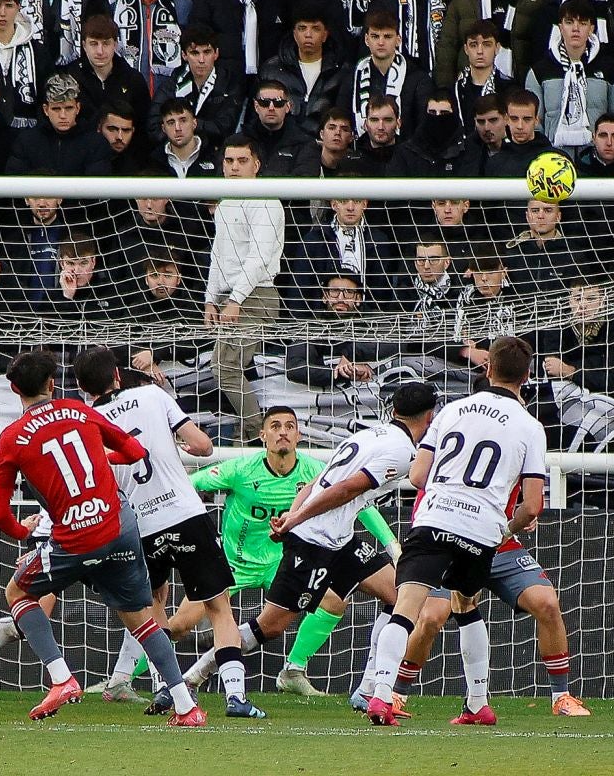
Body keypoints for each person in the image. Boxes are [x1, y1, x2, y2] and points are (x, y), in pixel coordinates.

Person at [0, 350, 204, 725]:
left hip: (76, 537)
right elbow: (134, 451)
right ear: (53, 385)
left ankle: (62, 679)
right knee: (141, 617)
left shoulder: (12, 438)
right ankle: (186, 707)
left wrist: (25, 533)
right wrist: (103, 462)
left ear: (13, 389)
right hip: (120, 527)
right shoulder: (80, 411)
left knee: (18, 593)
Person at [179, 382, 427, 704]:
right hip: (313, 543)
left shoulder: (369, 434)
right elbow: (344, 490)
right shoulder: (401, 452)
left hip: (340, 539)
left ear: (394, 411)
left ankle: (368, 690)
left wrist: (291, 517)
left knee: (398, 594)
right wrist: (295, 522)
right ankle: (192, 677)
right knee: (271, 625)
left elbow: (314, 483)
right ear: (430, 418)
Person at [70, 349, 263, 718]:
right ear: (116, 374)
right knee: (219, 607)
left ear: (82, 387)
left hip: (140, 524)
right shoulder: (154, 395)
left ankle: (169, 691)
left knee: (154, 606)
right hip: (184, 513)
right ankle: (235, 697)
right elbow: (204, 446)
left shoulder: (88, 422)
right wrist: (181, 448)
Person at [365, 336, 547, 726]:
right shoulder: (531, 427)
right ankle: (478, 703)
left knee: (406, 609)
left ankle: (381, 698)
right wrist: (504, 529)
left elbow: (417, 476)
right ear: (527, 376)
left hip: (434, 519)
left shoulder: (451, 410)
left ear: (488, 369)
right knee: (467, 607)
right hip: (481, 530)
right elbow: (532, 505)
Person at [205, 136, 285, 437]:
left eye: (242, 161)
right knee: (220, 366)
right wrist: (211, 299)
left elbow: (259, 257)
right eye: (229, 161)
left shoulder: (265, 201)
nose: (234, 167)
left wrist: (236, 299)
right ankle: (251, 428)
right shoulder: (226, 203)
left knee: (226, 366)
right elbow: (218, 253)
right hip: (231, 297)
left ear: (257, 164)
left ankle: (252, 432)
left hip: (256, 295)